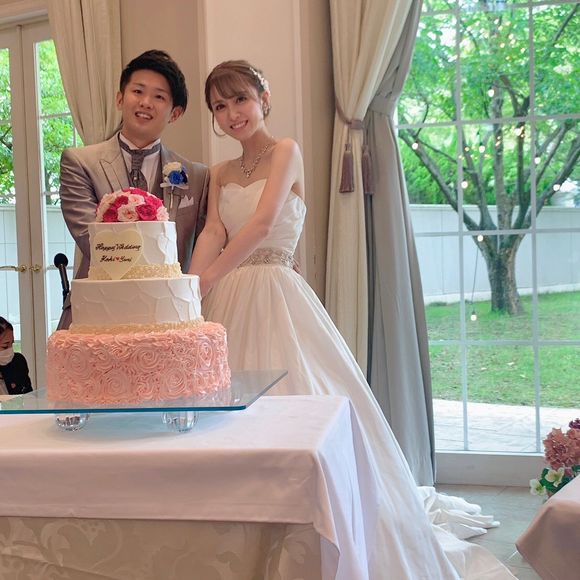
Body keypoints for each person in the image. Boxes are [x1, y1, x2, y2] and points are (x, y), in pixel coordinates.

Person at [190, 60, 515, 579]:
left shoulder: (286, 150)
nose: (232, 114)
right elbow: (213, 231)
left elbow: (264, 223)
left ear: (264, 98)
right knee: (230, 414)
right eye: (220, 106)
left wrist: (209, 278)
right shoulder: (220, 172)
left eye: (241, 99)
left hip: (276, 291)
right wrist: (189, 287)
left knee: (298, 399)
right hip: (229, 297)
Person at [57, 49, 209, 329]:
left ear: (175, 113)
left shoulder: (197, 176)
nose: (145, 102)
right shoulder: (80, 162)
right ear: (120, 98)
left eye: (159, 97)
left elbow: (204, 246)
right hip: (98, 314)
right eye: (137, 91)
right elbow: (91, 238)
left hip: (169, 318)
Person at [0, 317, 32, 395]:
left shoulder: (18, 361)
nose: (10, 350)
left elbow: (29, 394)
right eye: (5, 346)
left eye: (12, 343)